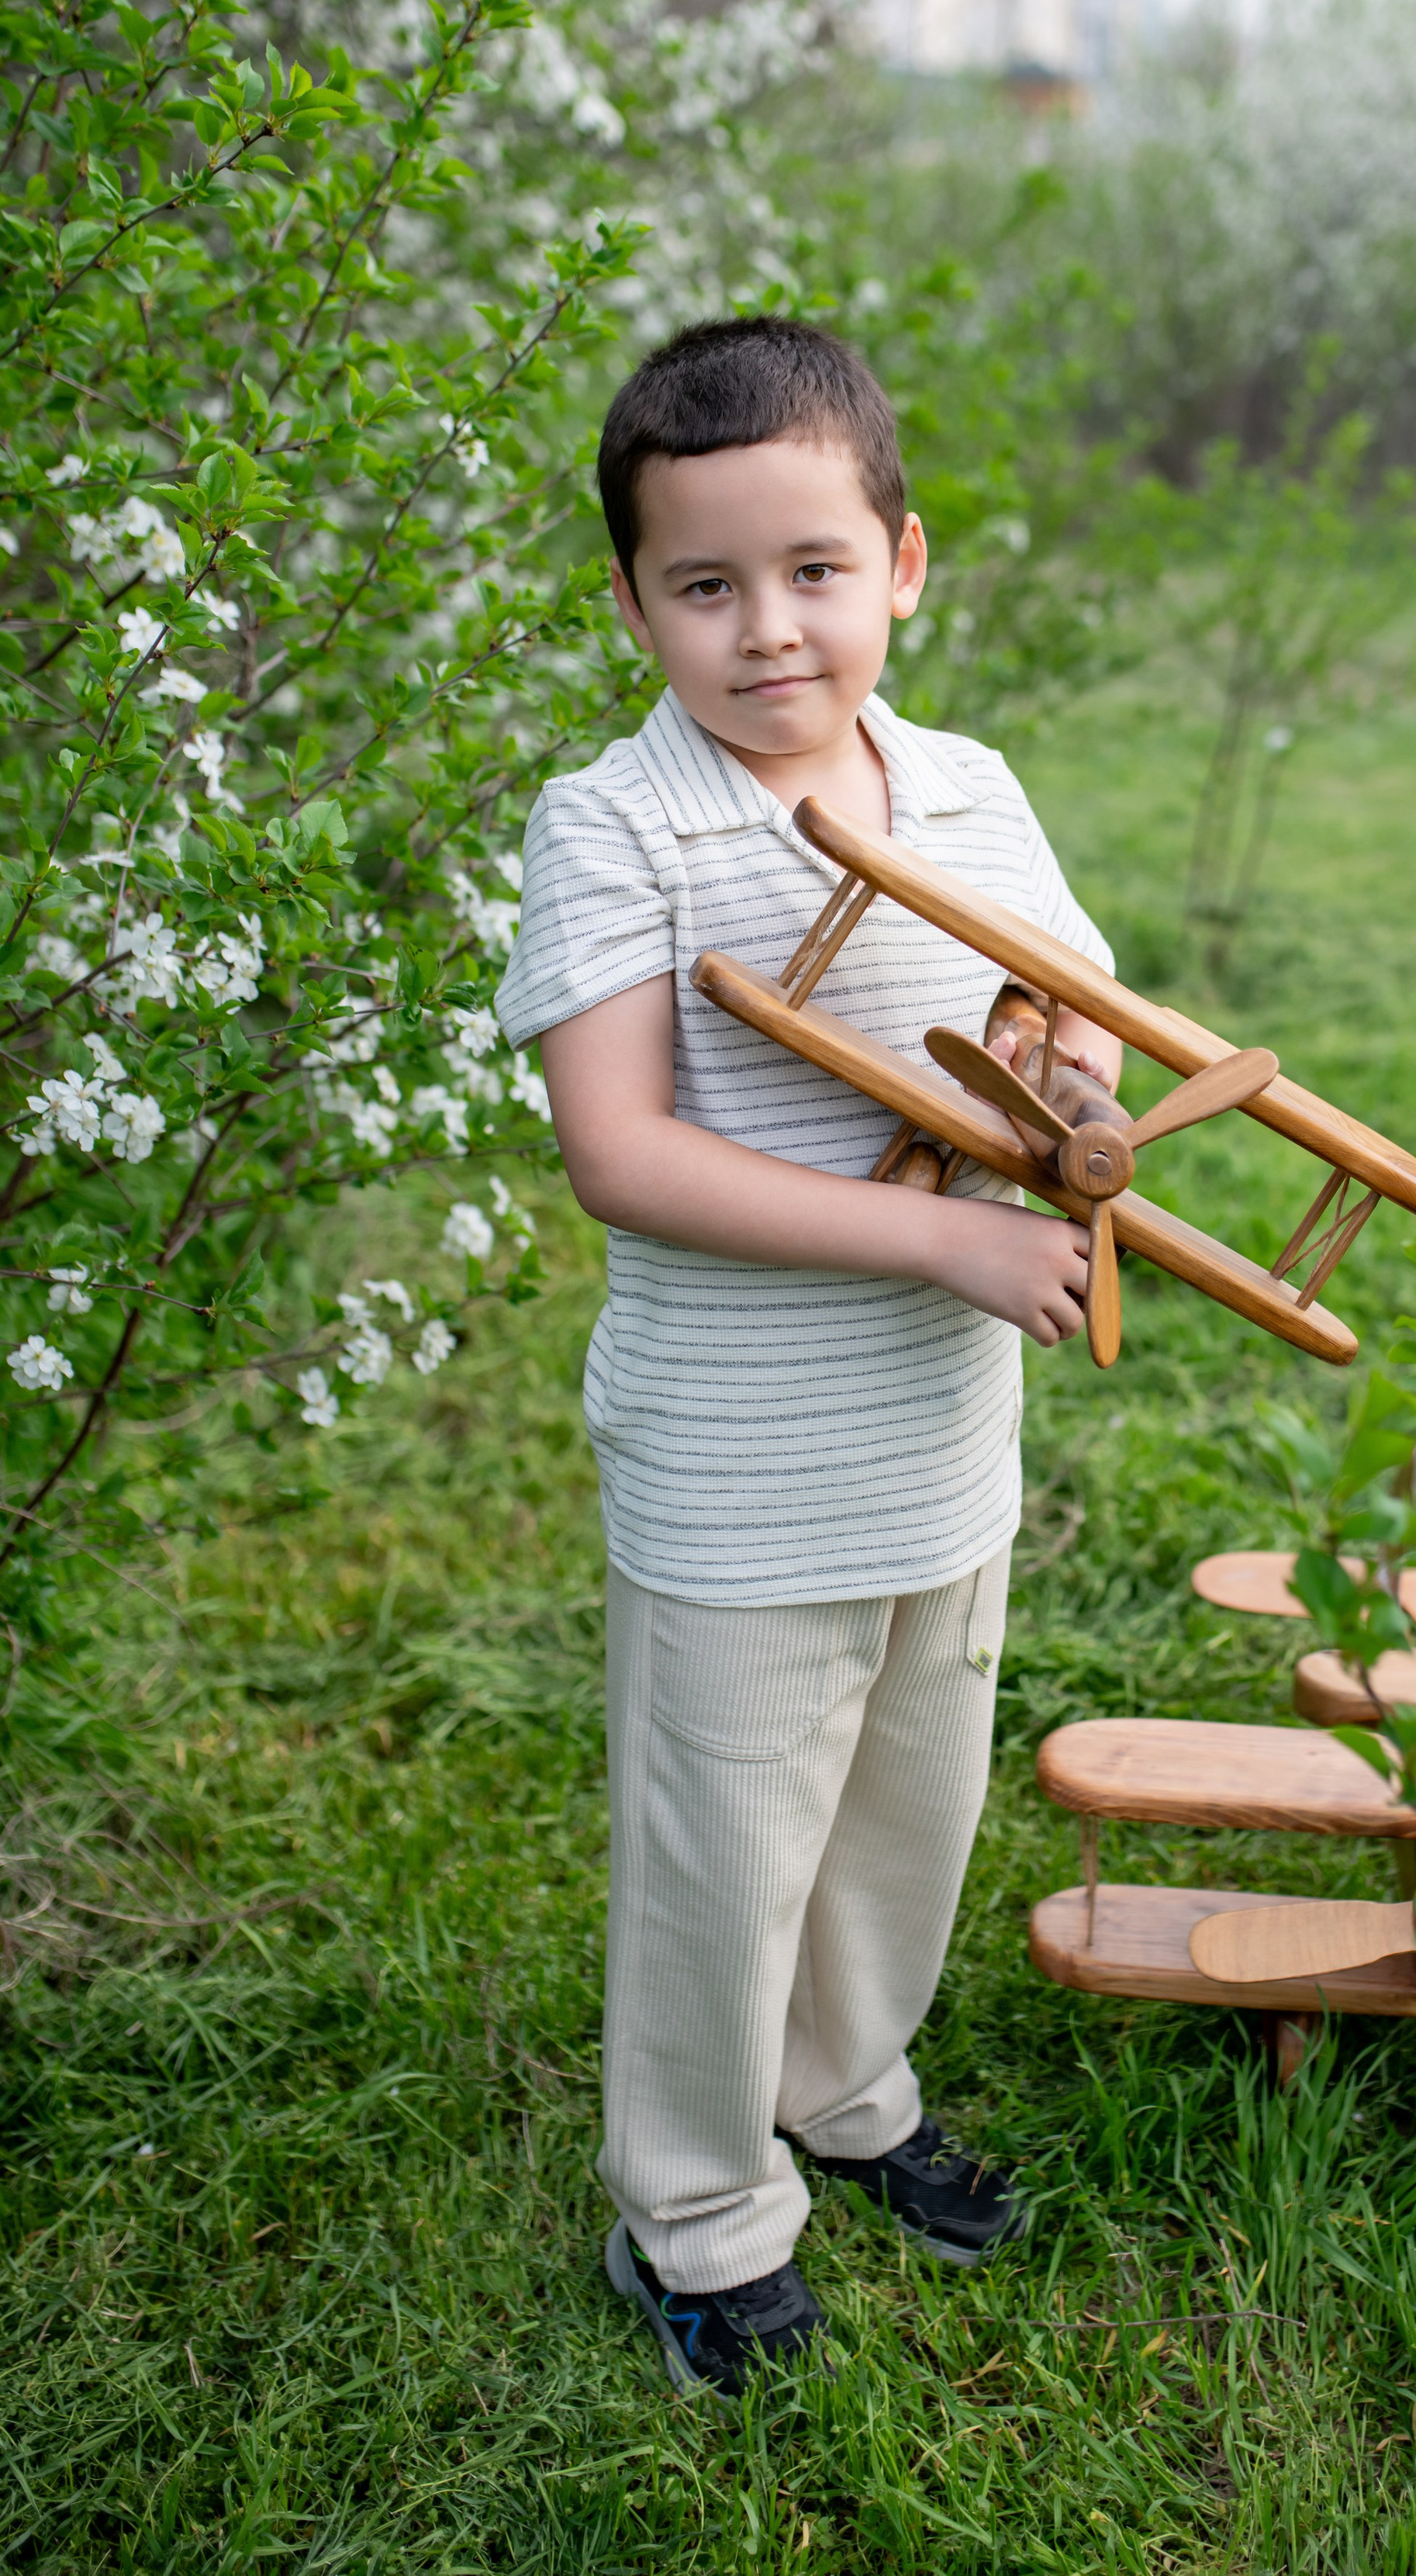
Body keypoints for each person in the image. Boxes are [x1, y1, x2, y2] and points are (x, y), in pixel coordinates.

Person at [496, 316, 1121, 2399]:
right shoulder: (621, 826)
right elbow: (622, 1152)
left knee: (901, 1805)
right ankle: (693, 2204)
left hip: (946, 1433)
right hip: (739, 1461)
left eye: (816, 573)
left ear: (907, 566)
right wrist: (940, 1229)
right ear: (634, 602)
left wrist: (1065, 1073)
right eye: (707, 585)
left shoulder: (964, 786)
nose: (770, 632)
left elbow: (1070, 1006)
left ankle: (848, 2091)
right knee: (727, 1840)